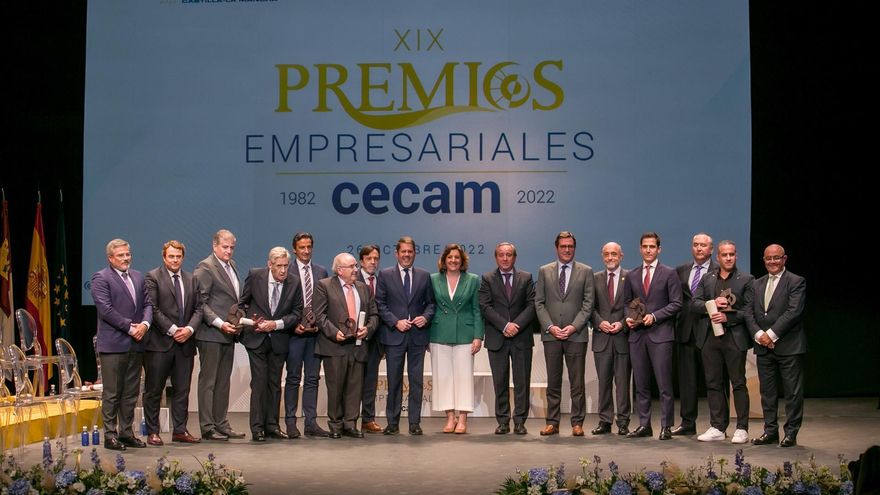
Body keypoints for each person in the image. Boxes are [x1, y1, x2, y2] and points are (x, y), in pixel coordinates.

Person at [90, 238, 152, 451]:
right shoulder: (101, 278)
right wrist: (130, 327)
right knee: (113, 392)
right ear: (110, 258)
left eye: (128, 254)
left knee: (130, 393)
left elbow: (148, 304)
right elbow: (105, 310)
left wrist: (144, 324)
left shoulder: (137, 276)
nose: (126, 258)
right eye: (121, 255)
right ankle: (110, 435)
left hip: (136, 344)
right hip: (113, 344)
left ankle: (127, 433)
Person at [691, 240, 754, 444]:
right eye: (724, 255)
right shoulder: (708, 278)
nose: (728, 258)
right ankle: (718, 426)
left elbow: (749, 311)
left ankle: (742, 428)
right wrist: (712, 305)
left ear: (736, 256)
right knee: (713, 383)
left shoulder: (746, 279)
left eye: (732, 254)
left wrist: (729, 317)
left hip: (734, 336)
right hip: (711, 337)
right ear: (717, 257)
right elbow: (695, 303)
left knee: (737, 382)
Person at [745, 244, 806, 448]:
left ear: (784, 259)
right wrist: (759, 334)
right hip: (763, 347)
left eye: (776, 258)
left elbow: (793, 312)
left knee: (792, 393)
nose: (772, 262)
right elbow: (749, 313)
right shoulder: (757, 284)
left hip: (789, 347)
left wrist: (771, 334)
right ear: (764, 260)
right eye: (768, 258)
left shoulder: (796, 282)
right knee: (767, 393)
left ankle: (790, 433)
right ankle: (770, 431)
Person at [238, 247, 303, 442]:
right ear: (270, 265)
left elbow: (297, 313)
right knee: (259, 383)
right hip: (256, 338)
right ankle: (257, 428)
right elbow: (243, 304)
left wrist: (276, 324)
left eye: (286, 266)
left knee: (274, 384)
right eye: (279, 266)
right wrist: (249, 321)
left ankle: (272, 426)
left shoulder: (294, 281)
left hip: (279, 339)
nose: (283, 270)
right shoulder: (255, 276)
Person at [534, 231, 595, 437]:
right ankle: (552, 422)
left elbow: (588, 305)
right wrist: (550, 326)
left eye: (570, 246)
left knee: (577, 382)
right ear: (556, 248)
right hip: (551, 335)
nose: (567, 250)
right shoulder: (544, 270)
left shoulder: (586, 271)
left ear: (574, 248)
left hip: (576, 335)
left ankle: (577, 423)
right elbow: (539, 302)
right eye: (563, 246)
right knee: (553, 381)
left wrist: (573, 327)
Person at [143, 240, 203, 445]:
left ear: (183, 258)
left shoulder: (192, 279)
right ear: (164, 257)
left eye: (178, 257)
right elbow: (153, 308)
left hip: (185, 344)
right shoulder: (153, 277)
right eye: (171, 256)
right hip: (159, 344)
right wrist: (172, 329)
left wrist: (189, 329)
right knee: (154, 389)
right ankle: (153, 431)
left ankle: (180, 430)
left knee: (182, 390)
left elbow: (199, 309)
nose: (175, 260)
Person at [313, 253, 379, 438]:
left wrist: (368, 329)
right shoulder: (324, 285)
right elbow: (319, 315)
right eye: (351, 267)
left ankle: (350, 424)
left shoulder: (364, 288)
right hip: (335, 345)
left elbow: (374, 315)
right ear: (340, 270)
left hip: (358, 345)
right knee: (335, 387)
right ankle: (336, 425)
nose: (355, 269)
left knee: (354, 387)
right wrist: (334, 332)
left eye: (355, 266)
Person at [623, 232, 682, 441]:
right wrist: (628, 318)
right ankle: (644, 424)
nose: (648, 250)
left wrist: (655, 317)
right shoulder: (631, 275)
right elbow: (627, 303)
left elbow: (676, 303)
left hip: (661, 335)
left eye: (652, 247)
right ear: (640, 249)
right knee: (641, 384)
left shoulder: (669, 273)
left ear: (659, 249)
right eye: (645, 246)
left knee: (664, 384)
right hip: (637, 336)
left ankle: (666, 426)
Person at [376, 236, 435, 435]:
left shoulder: (424, 275)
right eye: (403, 252)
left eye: (410, 252)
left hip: (418, 337)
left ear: (414, 253)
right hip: (394, 336)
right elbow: (380, 304)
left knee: (416, 381)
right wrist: (395, 321)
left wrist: (425, 318)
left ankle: (414, 423)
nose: (407, 255)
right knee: (394, 380)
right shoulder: (384, 274)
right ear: (397, 253)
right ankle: (392, 423)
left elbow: (431, 304)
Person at [478, 241, 536, 435]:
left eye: (509, 254)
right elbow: (485, 306)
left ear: (514, 257)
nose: (505, 258)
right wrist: (504, 325)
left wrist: (515, 325)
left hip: (521, 338)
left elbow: (532, 305)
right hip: (497, 337)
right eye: (501, 254)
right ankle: (503, 421)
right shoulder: (487, 279)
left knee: (522, 382)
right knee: (500, 382)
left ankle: (520, 421)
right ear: (496, 257)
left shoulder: (526, 277)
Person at [194, 229, 246, 441]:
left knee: (223, 381)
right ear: (215, 246)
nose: (229, 251)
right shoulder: (206, 267)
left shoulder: (231, 265)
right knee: (209, 381)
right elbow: (201, 302)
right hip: (210, 333)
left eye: (232, 247)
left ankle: (221, 423)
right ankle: (207, 427)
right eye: (225, 247)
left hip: (228, 333)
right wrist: (219, 323)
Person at [429, 244, 484, 434]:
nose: (453, 260)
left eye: (457, 258)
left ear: (462, 261)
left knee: (463, 378)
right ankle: (450, 418)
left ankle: (462, 419)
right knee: (443, 377)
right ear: (444, 260)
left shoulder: (473, 280)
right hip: (439, 333)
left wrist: (478, 336)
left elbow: (477, 310)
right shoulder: (433, 279)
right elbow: (430, 307)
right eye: (450, 257)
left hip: (465, 335)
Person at [285, 232, 331, 438]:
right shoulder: (288, 269)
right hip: (294, 334)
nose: (305, 251)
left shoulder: (321, 271)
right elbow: (282, 302)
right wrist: (294, 324)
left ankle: (311, 423)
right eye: (302, 247)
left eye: (309, 247)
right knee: (293, 378)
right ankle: (291, 423)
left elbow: (326, 303)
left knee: (312, 379)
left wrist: (320, 325)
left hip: (315, 335)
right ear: (294, 249)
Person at [672, 233, 715, 436]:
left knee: (714, 380)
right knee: (687, 381)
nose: (699, 248)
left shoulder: (719, 271)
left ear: (711, 249)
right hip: (685, 332)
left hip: (710, 332)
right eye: (696, 245)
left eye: (703, 245)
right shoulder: (680, 270)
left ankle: (718, 424)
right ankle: (688, 423)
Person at [589, 242, 632, 436]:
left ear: (621, 256)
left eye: (614, 254)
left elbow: (635, 306)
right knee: (604, 382)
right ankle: (605, 421)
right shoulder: (595, 278)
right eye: (606, 254)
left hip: (623, 337)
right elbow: (589, 307)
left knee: (623, 383)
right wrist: (599, 322)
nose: (610, 258)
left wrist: (622, 323)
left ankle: (623, 421)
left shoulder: (630, 277)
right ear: (602, 256)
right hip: (602, 337)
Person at [356, 244, 384, 433]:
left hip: (375, 338)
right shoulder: (352, 278)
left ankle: (368, 419)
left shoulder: (382, 280)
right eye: (369, 258)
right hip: (353, 338)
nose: (373, 262)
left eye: (375, 258)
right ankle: (347, 420)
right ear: (361, 261)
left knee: (370, 380)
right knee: (352, 380)